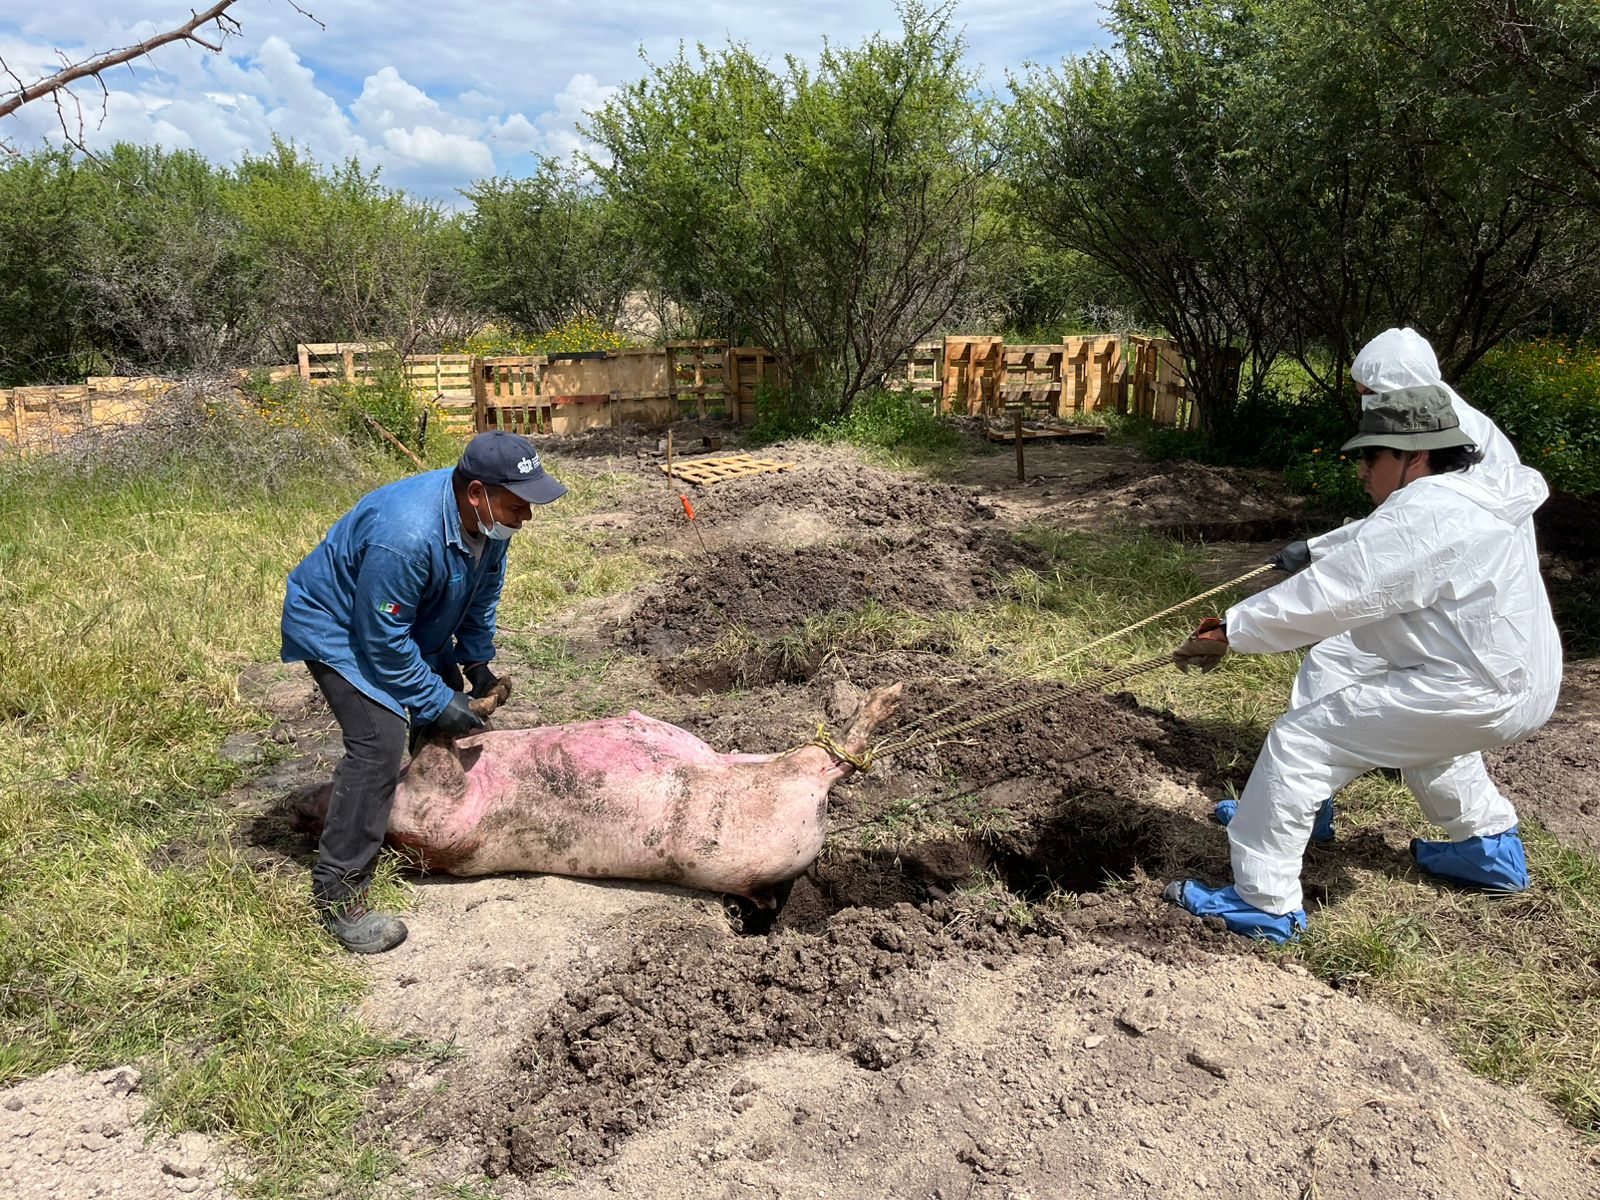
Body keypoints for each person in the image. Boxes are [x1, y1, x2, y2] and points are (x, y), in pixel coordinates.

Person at [1164, 383, 1562, 943]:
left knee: (1301, 743)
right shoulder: (1471, 493)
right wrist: (1318, 546)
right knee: (1423, 740)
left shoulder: (1427, 512)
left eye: (1371, 457)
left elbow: (1334, 595)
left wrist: (1232, 631)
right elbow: (1378, 542)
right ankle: (1486, 852)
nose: (1361, 471)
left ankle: (1265, 901)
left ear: (1413, 457)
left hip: (1471, 687)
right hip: (1513, 681)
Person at [281, 430, 567, 953]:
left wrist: (475, 662)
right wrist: (437, 700)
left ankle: (408, 820)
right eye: (517, 504)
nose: (526, 516)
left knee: (447, 696)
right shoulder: (407, 535)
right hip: (339, 627)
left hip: (403, 622)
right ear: (477, 492)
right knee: (378, 744)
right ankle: (338, 893)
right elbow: (381, 640)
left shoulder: (487, 526)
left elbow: (482, 593)